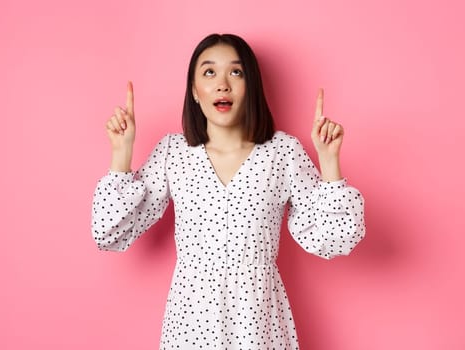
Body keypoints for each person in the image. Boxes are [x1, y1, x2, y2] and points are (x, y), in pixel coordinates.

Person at [91, 33, 366, 349]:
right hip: (191, 323)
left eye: (236, 72)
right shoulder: (173, 153)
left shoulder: (282, 152)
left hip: (258, 322)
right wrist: (121, 153)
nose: (222, 84)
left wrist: (329, 161)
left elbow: (335, 238)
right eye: (209, 72)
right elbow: (109, 232)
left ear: (251, 87)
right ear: (195, 91)